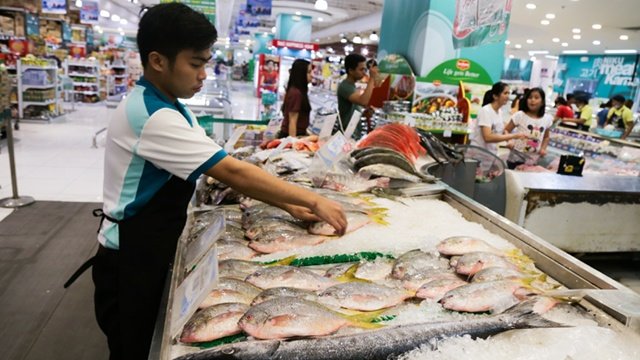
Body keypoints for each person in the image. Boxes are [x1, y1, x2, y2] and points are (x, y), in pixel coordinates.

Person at [83, 4, 347, 359]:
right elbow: (231, 172)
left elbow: (220, 163)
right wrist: (313, 200)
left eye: (206, 63)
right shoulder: (151, 115)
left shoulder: (171, 105)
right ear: (158, 61)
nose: (203, 74)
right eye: (195, 63)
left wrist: (286, 203)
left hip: (147, 249)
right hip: (129, 262)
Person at [470, 82, 528, 155]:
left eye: (508, 93)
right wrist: (513, 136)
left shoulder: (499, 112)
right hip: (478, 153)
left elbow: (501, 129)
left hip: (490, 154)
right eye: (505, 93)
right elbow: (487, 137)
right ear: (495, 96)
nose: (508, 96)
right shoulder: (485, 111)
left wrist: (509, 140)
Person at [504, 88, 553, 169]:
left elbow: (546, 137)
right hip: (516, 157)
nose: (532, 100)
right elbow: (506, 130)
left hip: (533, 159)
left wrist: (543, 148)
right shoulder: (520, 115)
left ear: (542, 102)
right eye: (530, 97)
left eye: (536, 98)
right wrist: (509, 141)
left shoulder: (547, 119)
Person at [337, 53, 379, 138]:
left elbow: (356, 106)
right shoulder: (345, 86)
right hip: (347, 136)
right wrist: (372, 78)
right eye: (361, 69)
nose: (364, 73)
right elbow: (363, 101)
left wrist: (364, 112)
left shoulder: (352, 86)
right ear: (351, 71)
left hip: (353, 133)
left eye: (365, 69)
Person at [280, 59, 312, 137]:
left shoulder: (299, 91)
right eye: (308, 72)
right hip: (291, 135)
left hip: (298, 134)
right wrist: (293, 144)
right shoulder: (296, 93)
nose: (311, 75)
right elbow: (292, 122)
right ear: (301, 74)